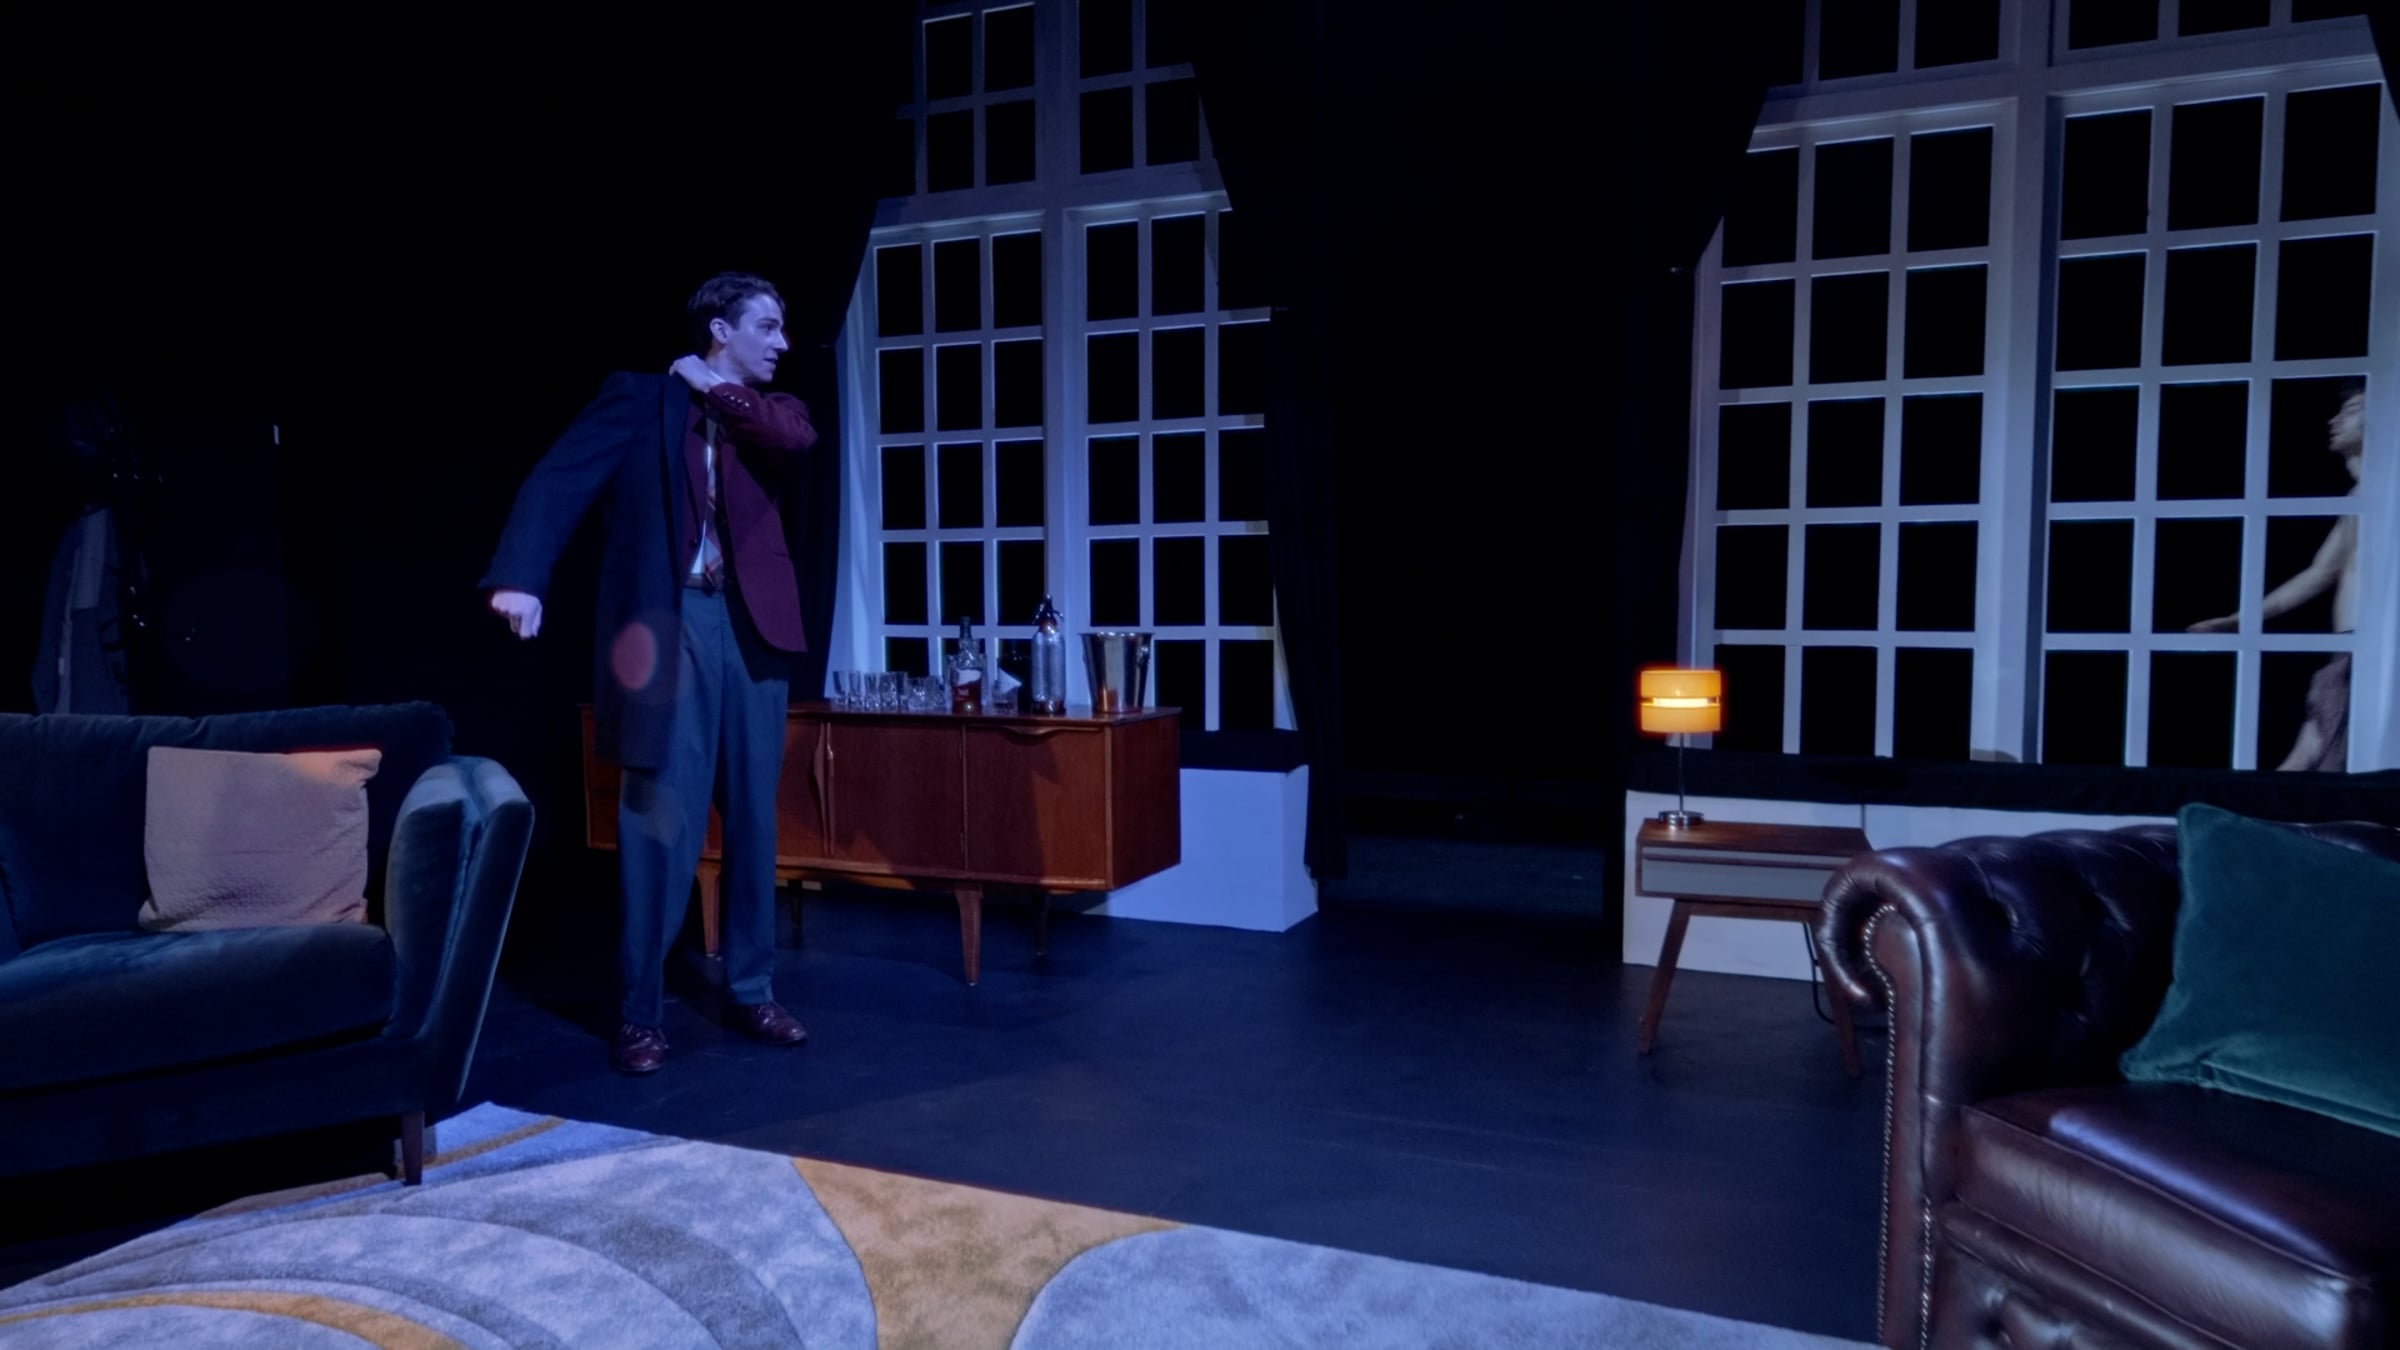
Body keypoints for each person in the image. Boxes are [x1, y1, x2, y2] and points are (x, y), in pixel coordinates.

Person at [481, 272, 817, 1073]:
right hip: (671, 620)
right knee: (660, 812)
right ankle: (640, 1011)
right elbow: (559, 479)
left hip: (752, 627)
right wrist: (521, 576)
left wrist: (713, 388)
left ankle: (752, 988)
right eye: (767, 327)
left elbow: (794, 443)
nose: (782, 342)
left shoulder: (773, 411)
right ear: (720, 329)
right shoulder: (638, 399)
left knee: (754, 818)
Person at [2188, 382, 2365, 772]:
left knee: (2320, 759)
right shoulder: (2358, 496)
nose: (2334, 420)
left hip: (2369, 650)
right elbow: (2322, 571)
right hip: (2348, 650)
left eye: (2352, 410)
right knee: (2314, 755)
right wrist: (2240, 618)